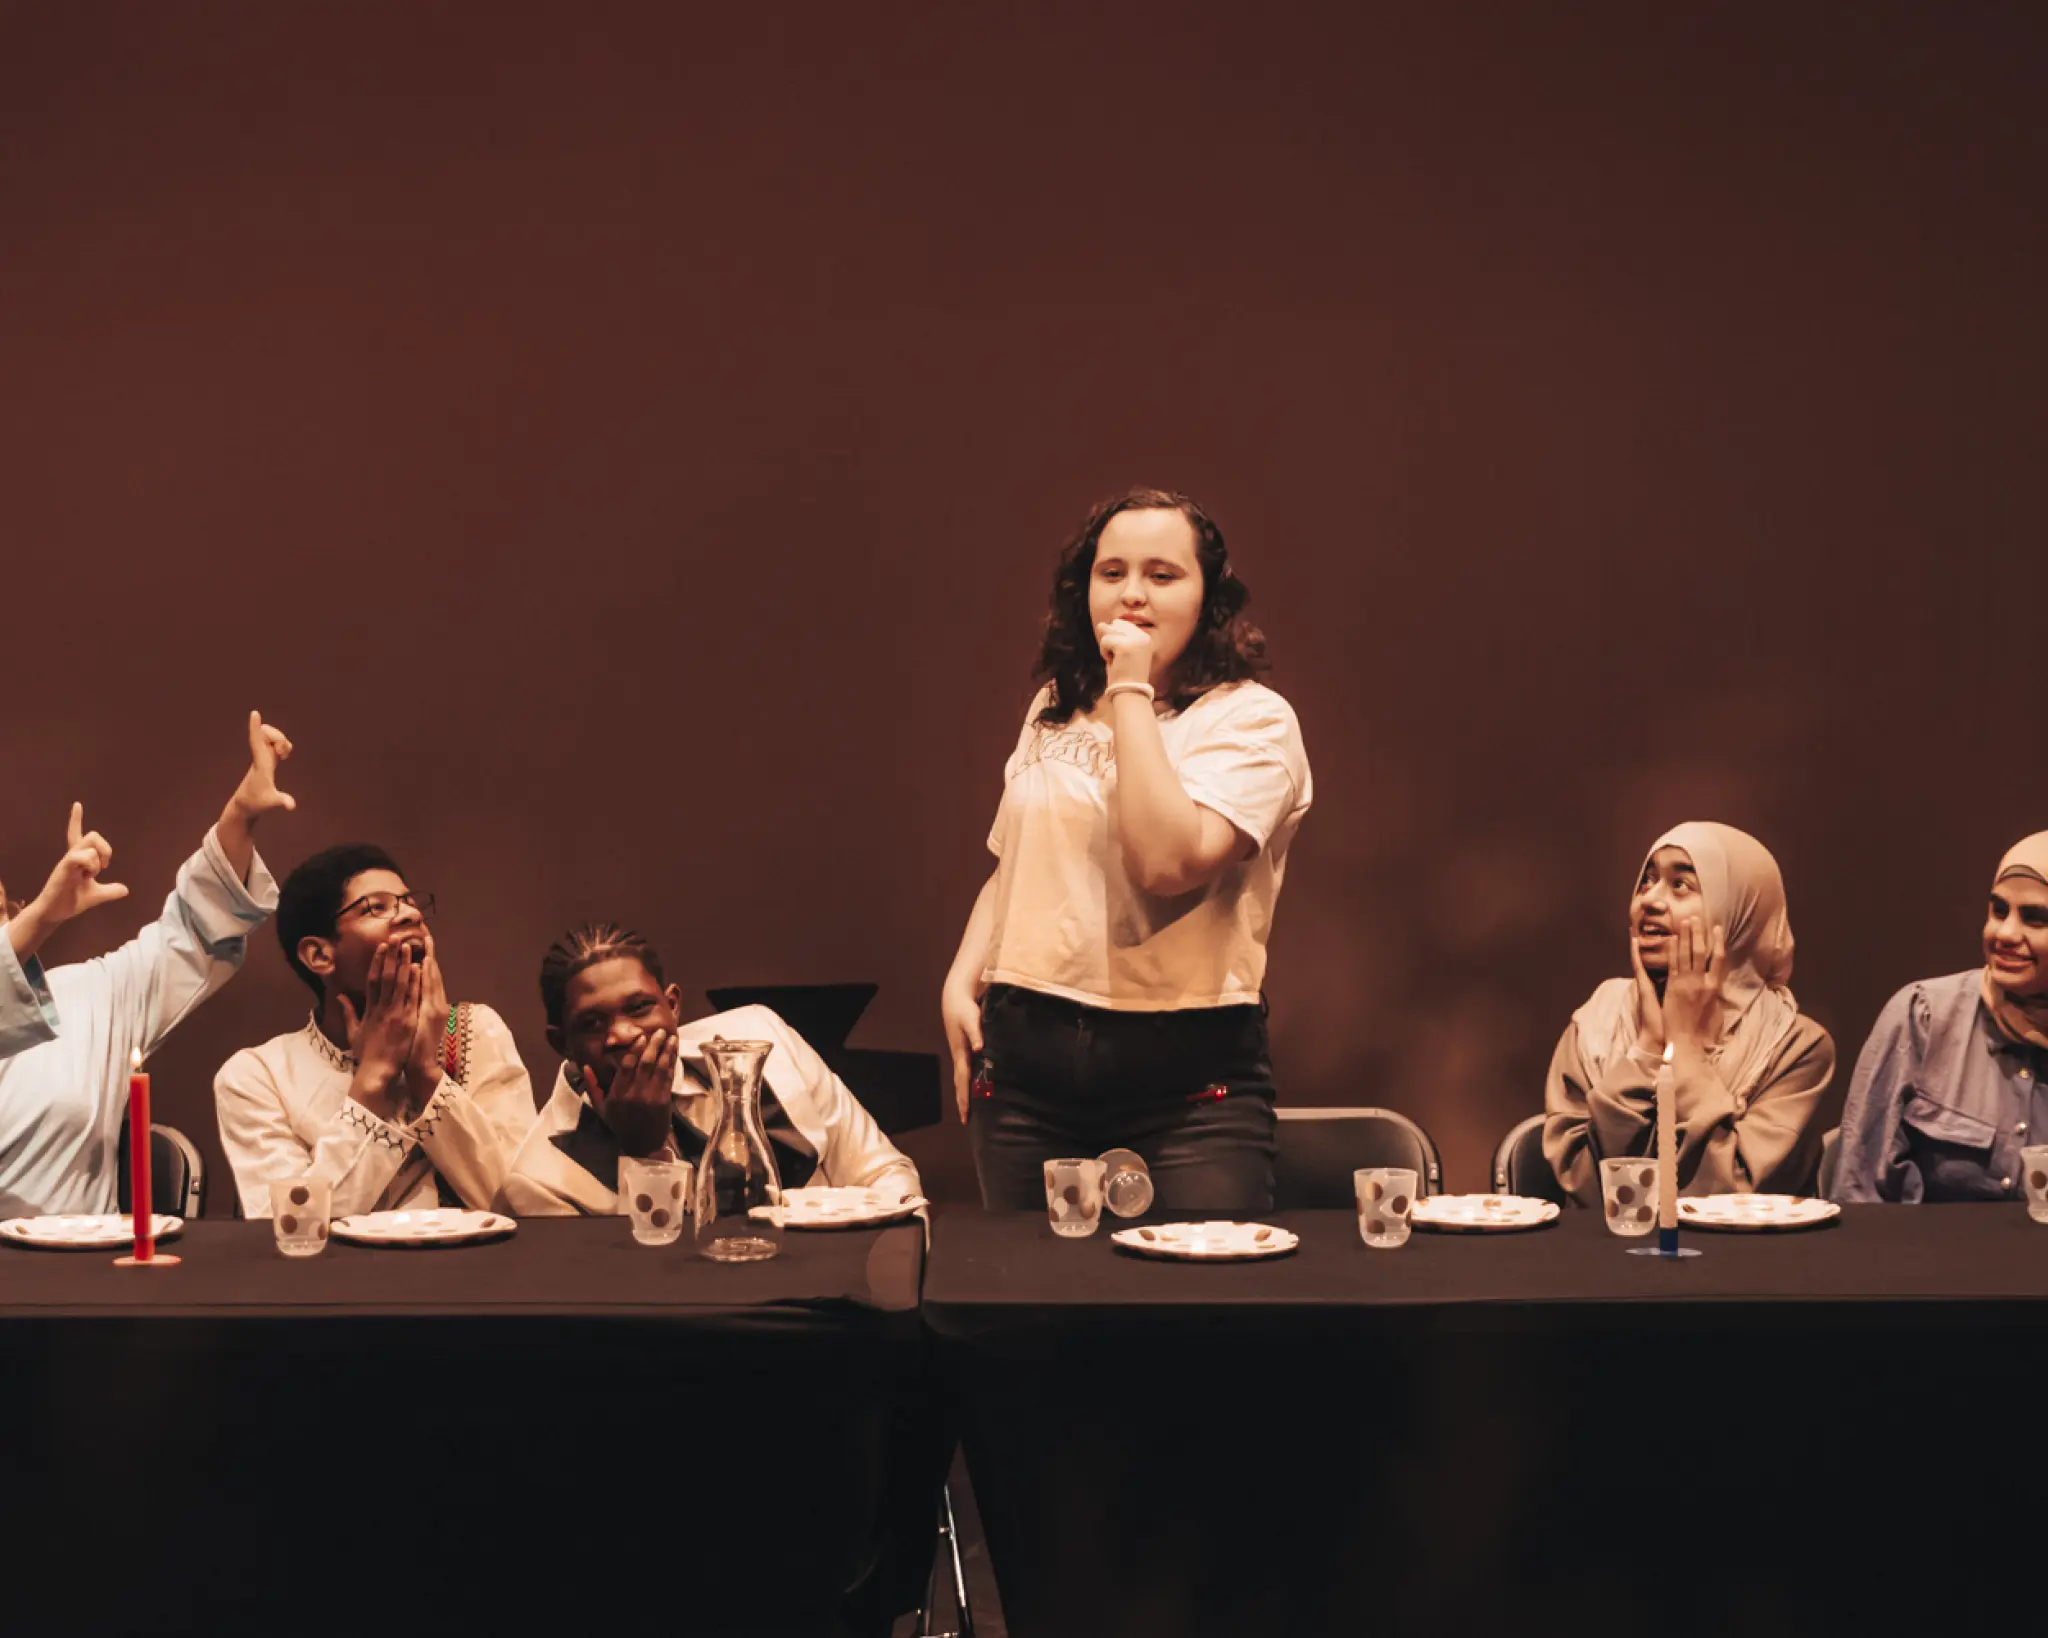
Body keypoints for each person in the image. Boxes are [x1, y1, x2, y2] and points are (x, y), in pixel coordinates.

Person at [940, 488, 1312, 1213]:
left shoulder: (1252, 720)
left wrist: (1132, 688)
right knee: (1028, 1306)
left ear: (1209, 597)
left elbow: (1166, 864)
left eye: (1162, 575)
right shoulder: (1055, 704)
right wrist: (961, 978)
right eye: (1112, 573)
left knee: (1190, 1313)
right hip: (1026, 1072)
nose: (1132, 594)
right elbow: (1013, 864)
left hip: (1186, 1081)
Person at [0, 713, 293, 1215]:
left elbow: (193, 934)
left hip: (74, 1281)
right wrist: (44, 919)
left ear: (15, 914)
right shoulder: (37, 926)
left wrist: (241, 815)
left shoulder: (89, 997)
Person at [499, 923, 919, 1215]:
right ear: (562, 1044)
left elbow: (885, 1174)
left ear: (673, 1005)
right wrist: (644, 1153)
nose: (623, 1034)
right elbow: (636, 1296)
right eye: (592, 1024)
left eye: (640, 1007)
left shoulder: (760, 1037)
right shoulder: (540, 1179)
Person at [214, 844, 534, 1217]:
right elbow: (293, 1229)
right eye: (377, 908)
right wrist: (373, 1079)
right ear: (320, 955)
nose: (411, 914)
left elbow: (521, 1208)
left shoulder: (475, 1033)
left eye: (409, 902)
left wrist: (426, 1075)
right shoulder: (258, 1076)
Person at [1543, 821, 1836, 1205]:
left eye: (1680, 885)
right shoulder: (1596, 1023)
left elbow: (1736, 1195)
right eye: (1647, 881)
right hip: (1602, 1257)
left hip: (1745, 1262)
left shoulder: (1795, 1046)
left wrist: (1684, 1048)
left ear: (1738, 913)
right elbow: (1590, 1194)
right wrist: (1647, 1049)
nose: (1650, 900)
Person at [1831, 831, 2048, 1202]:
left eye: (2036, 919)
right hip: (1926, 1259)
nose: (2005, 933)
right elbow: (1859, 1192)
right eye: (1998, 911)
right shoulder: (1925, 1017)